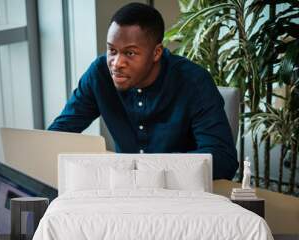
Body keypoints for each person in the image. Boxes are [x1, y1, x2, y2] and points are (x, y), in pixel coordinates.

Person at [48, 2, 238, 180]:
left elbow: (223, 159)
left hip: (182, 192)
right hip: (125, 189)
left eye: (130, 53)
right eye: (112, 51)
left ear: (156, 53)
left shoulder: (194, 82)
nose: (117, 63)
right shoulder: (99, 74)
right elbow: (57, 136)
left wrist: (153, 168)